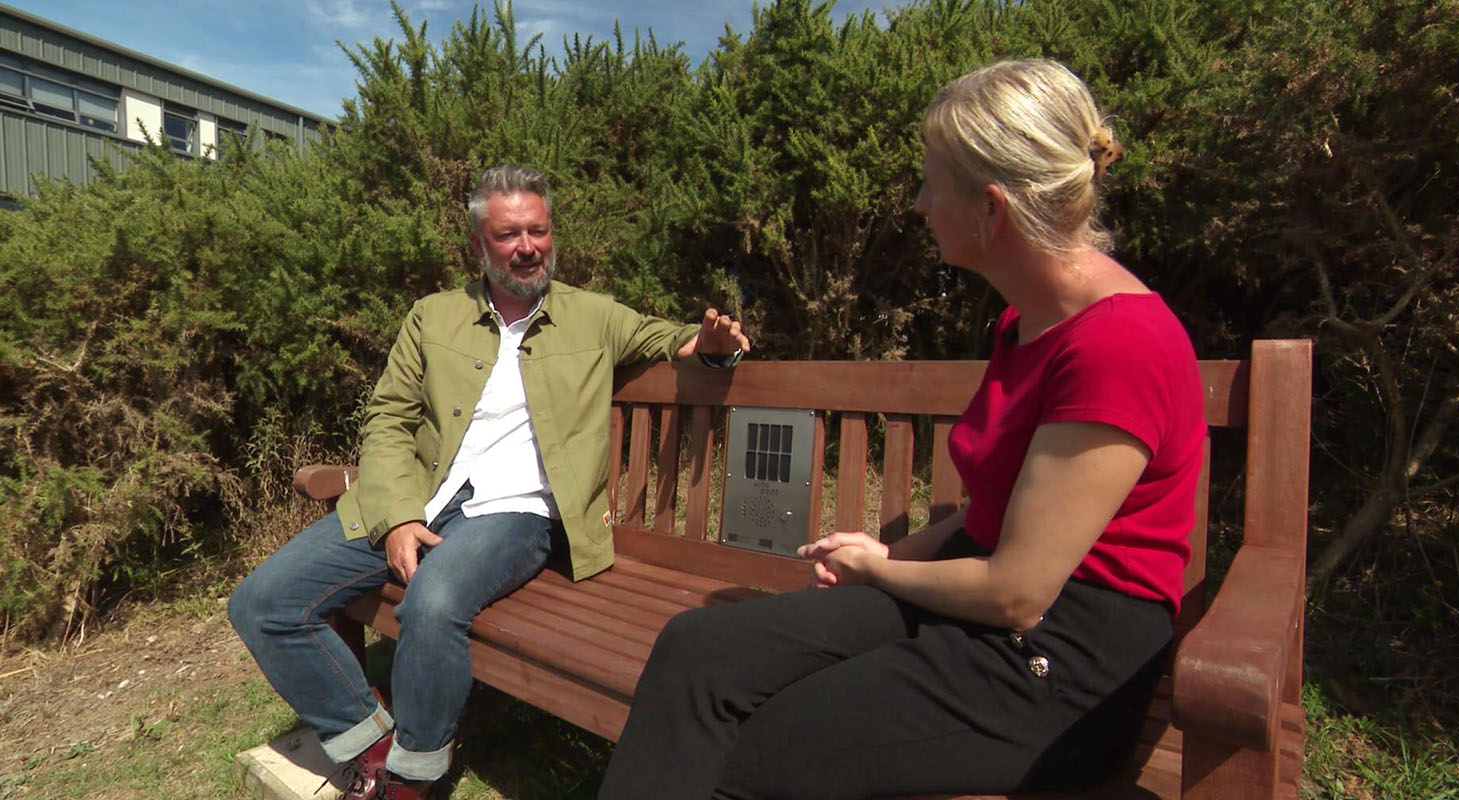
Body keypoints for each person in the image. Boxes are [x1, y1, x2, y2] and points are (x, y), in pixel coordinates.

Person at [598, 59, 1206, 800]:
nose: (920, 205)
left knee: (765, 750)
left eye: (931, 184)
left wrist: (880, 569)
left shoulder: (1119, 344)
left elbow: (1018, 590)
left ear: (991, 209)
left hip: (1058, 661)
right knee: (698, 650)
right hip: (977, 602)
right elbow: (993, 519)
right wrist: (885, 551)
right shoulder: (1026, 319)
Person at [228, 164, 750, 800]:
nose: (528, 246)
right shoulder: (433, 317)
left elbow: (674, 340)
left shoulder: (594, 316)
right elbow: (388, 416)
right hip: (415, 494)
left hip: (515, 511)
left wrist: (715, 344)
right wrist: (395, 517)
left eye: (539, 231)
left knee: (432, 602)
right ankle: (373, 741)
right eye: (509, 234)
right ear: (480, 244)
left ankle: (411, 781)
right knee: (262, 602)